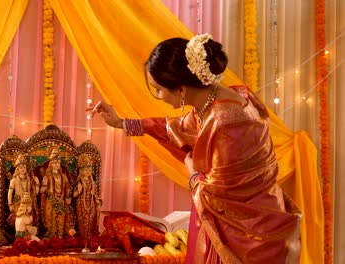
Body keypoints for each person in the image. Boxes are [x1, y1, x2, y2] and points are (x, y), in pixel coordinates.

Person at [89, 34, 302, 263]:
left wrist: (192, 175)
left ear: (181, 90)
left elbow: (219, 196)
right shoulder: (214, 101)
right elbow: (175, 128)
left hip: (251, 239)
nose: (158, 96)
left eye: (158, 90)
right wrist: (122, 122)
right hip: (249, 225)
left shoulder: (226, 121)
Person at [40, 148, 74, 238]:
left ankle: (60, 236)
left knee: (61, 218)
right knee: (50, 218)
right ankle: (51, 235)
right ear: (51, 164)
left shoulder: (64, 176)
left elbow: (68, 188)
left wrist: (68, 197)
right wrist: (44, 185)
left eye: (58, 163)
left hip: (61, 200)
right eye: (54, 162)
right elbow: (41, 191)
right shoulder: (47, 176)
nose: (56, 165)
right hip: (50, 201)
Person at [73, 155, 102, 240]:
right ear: (81, 171)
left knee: (91, 220)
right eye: (85, 169)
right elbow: (74, 195)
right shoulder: (79, 181)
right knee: (83, 222)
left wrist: (97, 200)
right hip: (82, 204)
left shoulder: (93, 182)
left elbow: (96, 194)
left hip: (91, 204)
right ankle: (83, 239)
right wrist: (78, 191)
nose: (87, 171)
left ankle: (90, 239)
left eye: (89, 169)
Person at [7, 154, 40, 227]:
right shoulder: (14, 180)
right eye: (21, 167)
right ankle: (19, 236)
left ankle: (27, 236)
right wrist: (10, 204)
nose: (23, 169)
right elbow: (10, 193)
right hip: (17, 203)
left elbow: (35, 193)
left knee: (28, 221)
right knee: (18, 221)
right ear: (17, 169)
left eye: (24, 167)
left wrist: (37, 184)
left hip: (28, 203)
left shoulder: (29, 180)